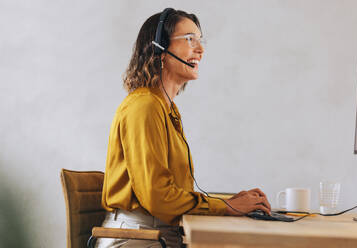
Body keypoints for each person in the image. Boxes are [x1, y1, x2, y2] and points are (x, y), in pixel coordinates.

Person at [96, 8, 271, 248]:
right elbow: (158, 197)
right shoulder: (144, 106)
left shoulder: (166, 108)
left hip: (161, 234)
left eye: (200, 40)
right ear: (159, 48)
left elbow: (170, 193)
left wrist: (228, 203)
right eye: (190, 39)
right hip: (136, 239)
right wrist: (226, 207)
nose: (200, 49)